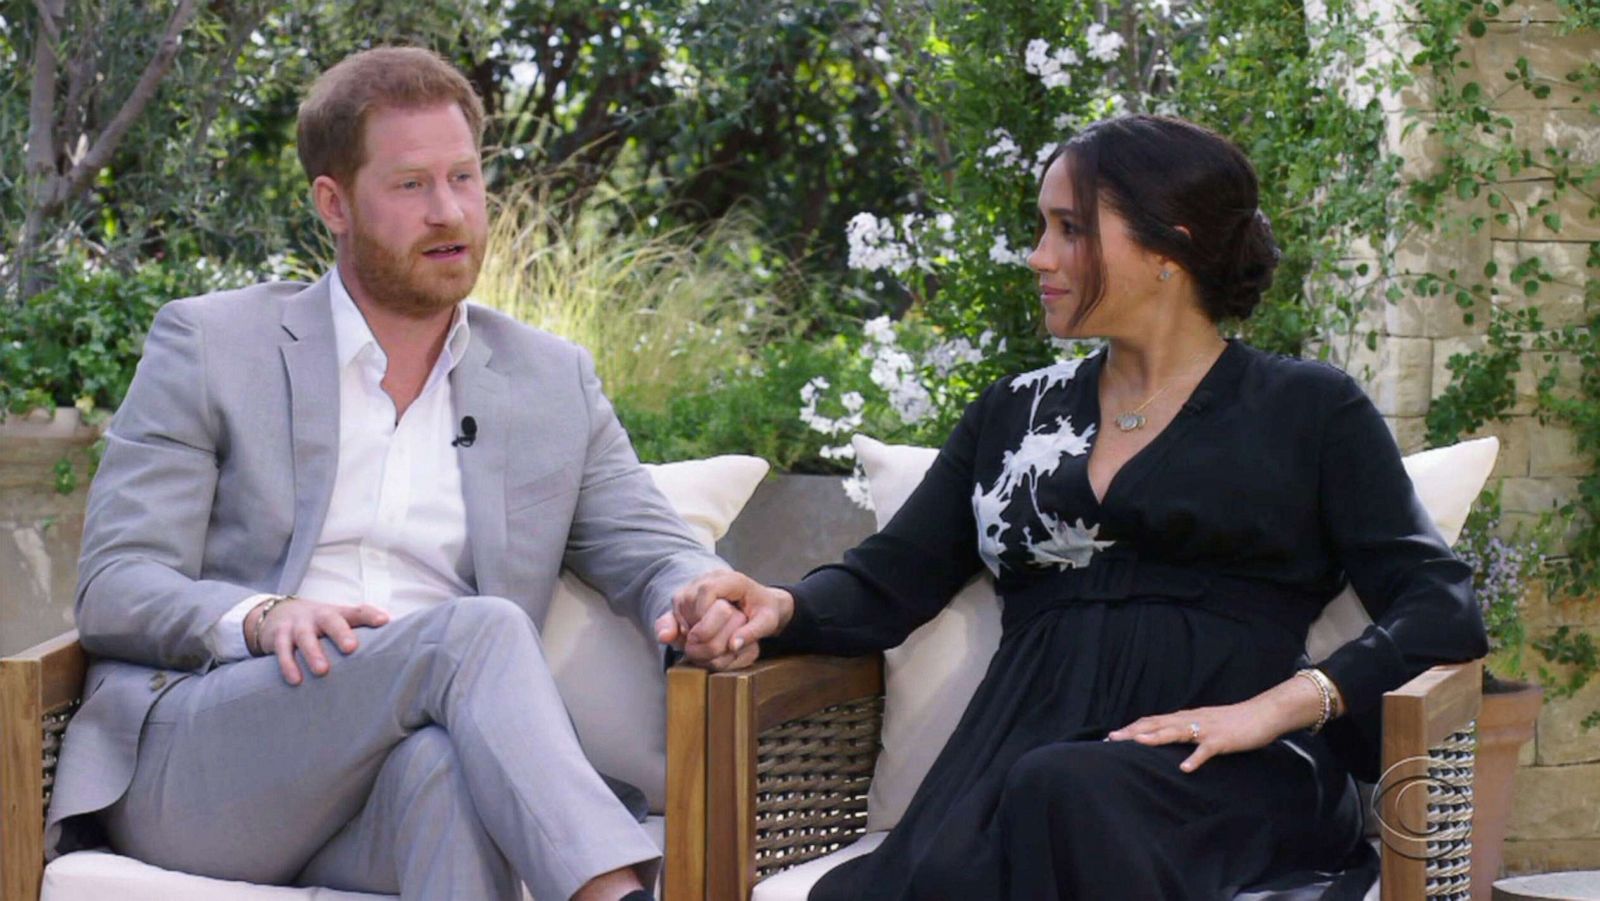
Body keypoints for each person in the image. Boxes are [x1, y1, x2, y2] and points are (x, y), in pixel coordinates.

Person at [657, 115, 1489, 899]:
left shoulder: (1309, 409)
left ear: (1172, 246)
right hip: (1016, 757)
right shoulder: (1011, 413)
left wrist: (1276, 708)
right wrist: (778, 603)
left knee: (1062, 791)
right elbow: (890, 579)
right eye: (1042, 227)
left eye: (1071, 228)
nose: (1038, 256)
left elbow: (1440, 606)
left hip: (1230, 768)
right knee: (1001, 820)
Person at [45, 46, 723, 901]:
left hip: (398, 773)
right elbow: (115, 584)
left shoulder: (551, 382)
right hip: (212, 759)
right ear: (334, 202)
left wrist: (698, 592)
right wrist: (261, 616)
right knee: (472, 631)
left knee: (443, 775)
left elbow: (655, 553)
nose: (450, 212)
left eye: (465, 179)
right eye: (411, 186)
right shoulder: (214, 347)